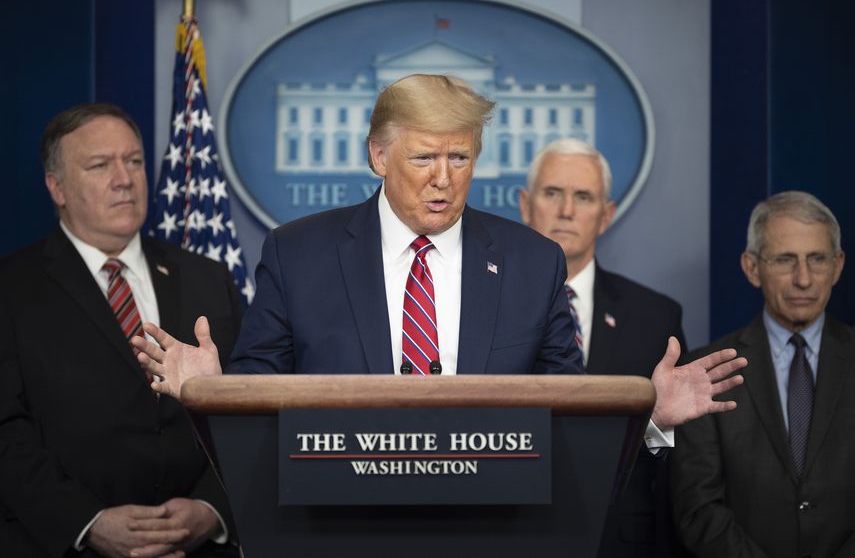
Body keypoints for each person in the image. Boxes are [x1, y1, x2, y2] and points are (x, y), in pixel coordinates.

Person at [134, 75, 745, 435]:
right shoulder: (299, 253)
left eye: (460, 159)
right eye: (423, 158)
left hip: (493, 528)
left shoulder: (533, 262)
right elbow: (258, 394)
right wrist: (215, 393)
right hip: (337, 528)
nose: (443, 180)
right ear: (377, 156)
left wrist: (647, 419)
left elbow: (569, 416)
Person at [0, 103, 242, 557]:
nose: (124, 178)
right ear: (57, 187)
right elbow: (6, 432)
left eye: (133, 161)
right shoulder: (11, 289)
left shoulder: (208, 279)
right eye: (99, 165)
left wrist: (211, 508)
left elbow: (251, 408)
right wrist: (86, 523)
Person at [519, 138, 690, 557]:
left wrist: (655, 424)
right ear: (526, 205)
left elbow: (678, 464)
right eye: (553, 193)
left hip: (617, 541)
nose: (566, 211)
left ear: (606, 215)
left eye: (583, 197)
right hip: (511, 530)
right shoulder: (479, 308)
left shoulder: (656, 317)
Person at [671, 191, 854, 557]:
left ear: (837, 266)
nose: (804, 279)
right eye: (786, 260)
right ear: (752, 268)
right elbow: (699, 509)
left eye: (817, 259)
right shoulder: (708, 371)